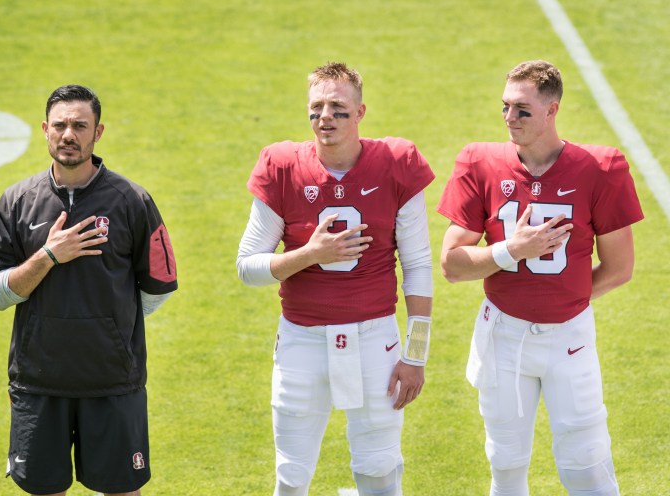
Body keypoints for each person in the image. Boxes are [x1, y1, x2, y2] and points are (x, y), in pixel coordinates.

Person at [438, 60, 643, 495]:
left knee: (586, 463)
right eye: (505, 107)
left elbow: (620, 268)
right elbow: (452, 265)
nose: (510, 119)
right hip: (503, 335)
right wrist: (514, 250)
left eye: (523, 110)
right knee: (506, 463)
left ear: (552, 110)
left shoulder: (600, 167)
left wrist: (563, 299)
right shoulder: (480, 162)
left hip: (569, 336)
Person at [237, 62, 435, 496]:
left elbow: (418, 264)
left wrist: (416, 354)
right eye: (316, 107)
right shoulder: (282, 164)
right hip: (302, 341)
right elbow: (247, 267)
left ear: (361, 112)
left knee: (380, 470)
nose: (325, 117)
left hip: (374, 338)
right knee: (290, 477)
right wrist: (311, 254)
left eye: (338, 109)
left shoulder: (398, 162)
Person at [0, 84, 178, 496]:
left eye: (79, 126)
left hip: (111, 381)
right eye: (60, 126)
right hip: (39, 383)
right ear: (45, 130)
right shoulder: (17, 202)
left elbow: (159, 287)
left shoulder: (132, 201)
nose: (68, 134)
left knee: (122, 489)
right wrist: (48, 256)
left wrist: (108, 324)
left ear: (98, 132)